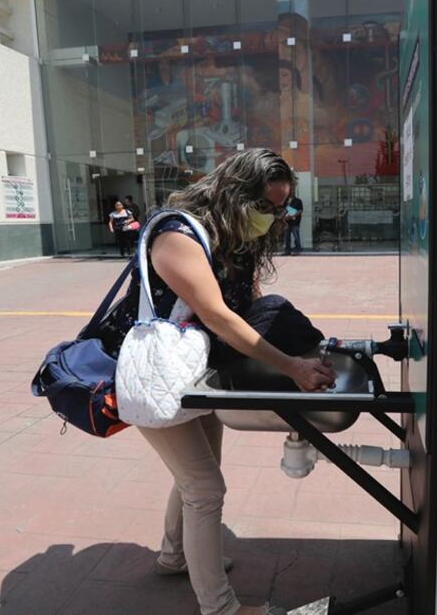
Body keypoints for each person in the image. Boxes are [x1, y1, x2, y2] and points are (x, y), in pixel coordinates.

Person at [109, 149, 335, 615]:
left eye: (280, 209)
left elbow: (246, 306)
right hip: (156, 373)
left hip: (196, 371)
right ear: (234, 194)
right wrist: (291, 366)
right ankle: (220, 608)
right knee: (205, 487)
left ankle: (175, 555)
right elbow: (217, 315)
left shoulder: (234, 238)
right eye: (265, 206)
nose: (272, 217)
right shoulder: (177, 235)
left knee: (197, 472)